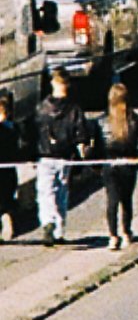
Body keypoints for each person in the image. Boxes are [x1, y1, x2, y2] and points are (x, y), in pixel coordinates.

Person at [33, 67, 78, 248]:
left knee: (45, 192)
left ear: (53, 83)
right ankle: (59, 230)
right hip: (65, 156)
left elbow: (32, 133)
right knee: (62, 192)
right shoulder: (74, 109)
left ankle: (47, 221)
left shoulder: (41, 109)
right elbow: (81, 133)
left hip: (45, 156)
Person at [100, 74, 138, 253]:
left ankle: (112, 236)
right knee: (126, 199)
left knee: (112, 200)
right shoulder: (135, 120)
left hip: (109, 166)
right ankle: (126, 232)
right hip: (129, 165)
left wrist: (95, 165)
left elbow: (96, 146)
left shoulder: (103, 122)